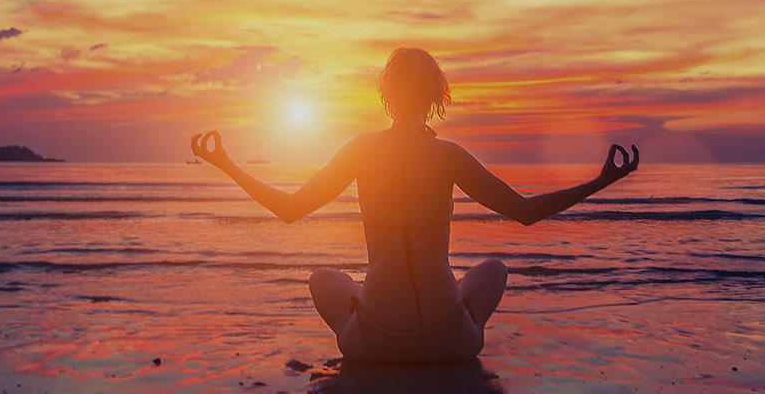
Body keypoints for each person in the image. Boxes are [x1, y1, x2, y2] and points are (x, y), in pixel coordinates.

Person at [189, 47, 639, 364]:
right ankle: (453, 318)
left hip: (373, 345)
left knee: (325, 279)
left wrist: (226, 163)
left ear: (387, 94)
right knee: (494, 269)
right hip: (449, 344)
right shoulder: (448, 156)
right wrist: (600, 182)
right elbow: (525, 211)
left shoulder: (361, 149)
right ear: (435, 95)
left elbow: (289, 209)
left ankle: (369, 312)